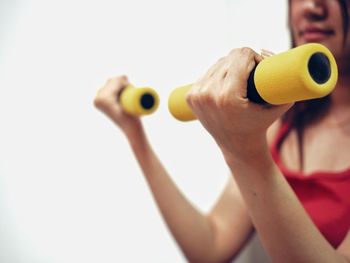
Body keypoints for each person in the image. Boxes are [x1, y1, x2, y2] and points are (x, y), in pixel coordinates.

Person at [94, 0, 350, 262]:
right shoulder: (284, 117)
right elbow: (211, 247)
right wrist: (133, 132)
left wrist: (246, 153)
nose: (311, 6)